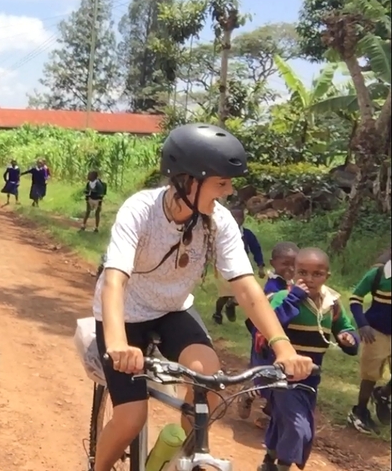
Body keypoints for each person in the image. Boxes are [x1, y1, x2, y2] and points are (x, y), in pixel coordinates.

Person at [92, 123, 315, 471]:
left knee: (207, 387)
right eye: (221, 183)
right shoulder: (140, 210)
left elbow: (245, 286)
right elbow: (115, 280)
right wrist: (118, 343)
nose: (227, 192)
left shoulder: (219, 220)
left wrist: (282, 345)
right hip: (126, 315)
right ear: (187, 180)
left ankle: (185, 460)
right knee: (131, 417)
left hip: (173, 310)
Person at [260, 248, 358, 471]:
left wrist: (347, 338)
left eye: (317, 274)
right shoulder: (283, 298)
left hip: (311, 378)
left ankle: (269, 459)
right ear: (292, 272)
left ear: (327, 276)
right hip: (282, 376)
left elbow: (345, 327)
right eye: (303, 272)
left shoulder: (331, 304)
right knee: (298, 426)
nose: (310, 279)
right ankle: (283, 466)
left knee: (282, 420)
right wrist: (293, 300)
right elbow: (267, 326)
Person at [239, 241, 300, 427]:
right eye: (285, 264)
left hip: (284, 338)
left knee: (281, 378)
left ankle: (269, 413)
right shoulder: (272, 288)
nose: (290, 268)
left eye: (294, 264)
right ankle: (248, 394)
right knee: (266, 376)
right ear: (273, 263)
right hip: (265, 342)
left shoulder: (293, 285)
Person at [347, 248, 392, 434]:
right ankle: (360, 411)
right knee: (370, 375)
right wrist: (362, 324)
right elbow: (355, 298)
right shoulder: (378, 274)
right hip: (376, 331)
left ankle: (382, 395)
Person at [213, 207, 266, 325]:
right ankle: (218, 312)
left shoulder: (247, 234)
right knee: (225, 294)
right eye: (234, 217)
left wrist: (260, 265)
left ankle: (231, 304)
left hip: (241, 266)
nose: (237, 220)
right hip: (223, 267)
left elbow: (256, 249)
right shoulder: (221, 234)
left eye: (239, 217)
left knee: (242, 292)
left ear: (244, 219)